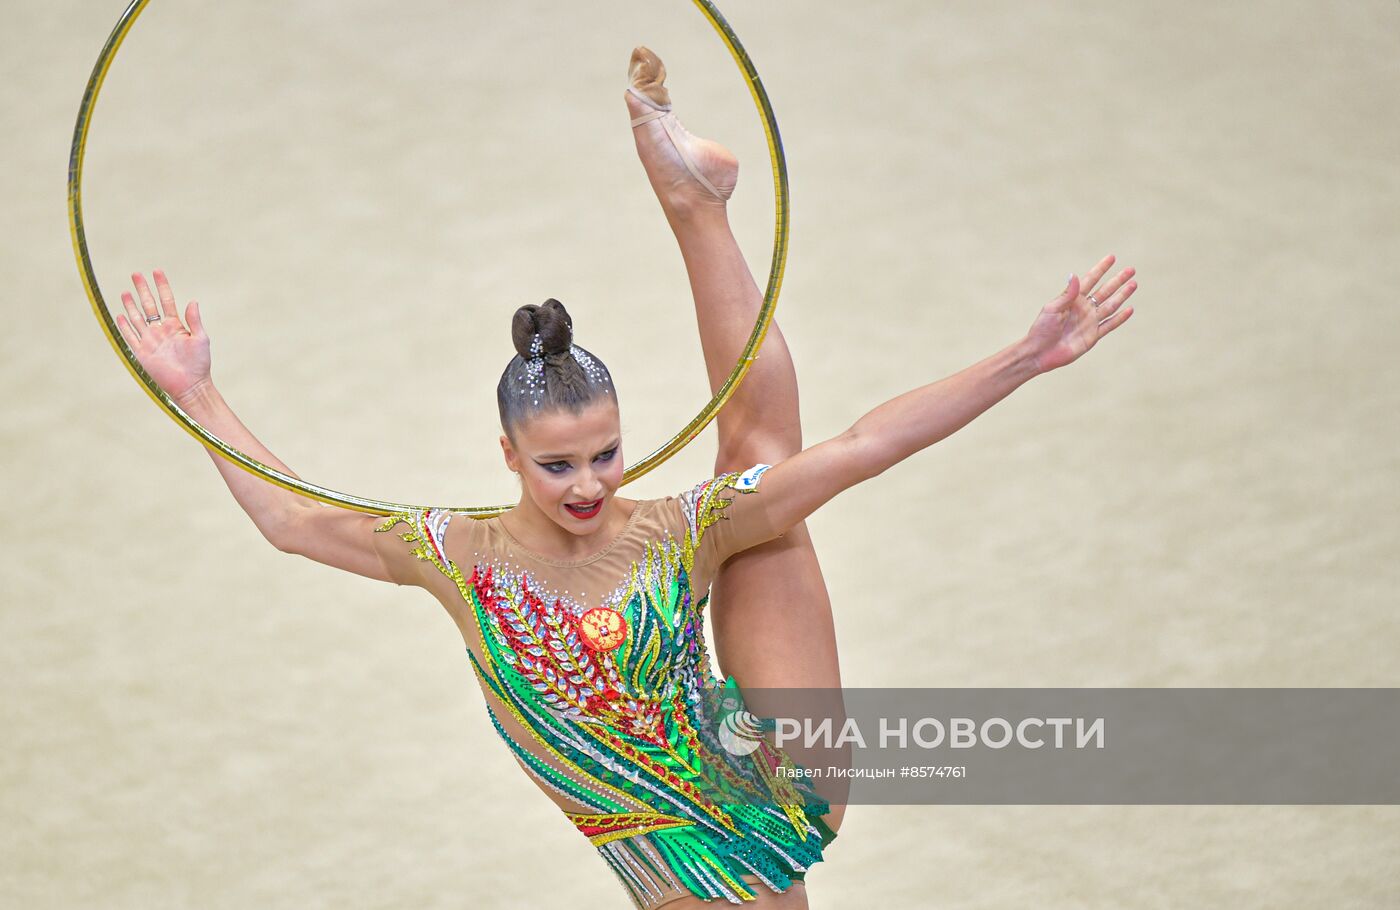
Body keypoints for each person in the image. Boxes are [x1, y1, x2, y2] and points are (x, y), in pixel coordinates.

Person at [113, 47, 1136, 910]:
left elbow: (866, 444)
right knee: (758, 452)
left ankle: (691, 200)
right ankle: (691, 201)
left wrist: (1021, 358)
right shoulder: (452, 554)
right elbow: (290, 519)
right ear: (504, 455)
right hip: (683, 831)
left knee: (766, 472)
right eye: (556, 463)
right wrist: (196, 393)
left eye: (604, 452)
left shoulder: (671, 531)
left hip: (777, 777)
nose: (588, 482)